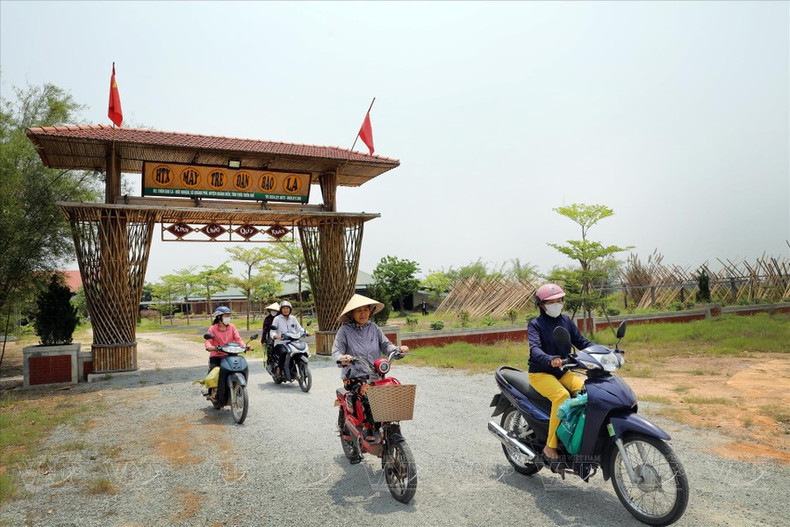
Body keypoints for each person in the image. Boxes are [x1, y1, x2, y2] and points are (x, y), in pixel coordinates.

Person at [527, 284, 592, 462]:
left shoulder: (566, 321)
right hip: (540, 373)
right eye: (551, 301)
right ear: (541, 304)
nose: (557, 304)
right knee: (561, 396)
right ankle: (550, 446)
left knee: (587, 392)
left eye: (559, 300)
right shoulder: (535, 324)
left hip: (563, 371)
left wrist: (604, 351)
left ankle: (575, 434)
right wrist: (550, 358)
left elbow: (582, 342)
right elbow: (535, 349)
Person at [332, 294, 409, 442]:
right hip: (354, 377)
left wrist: (398, 350)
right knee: (368, 394)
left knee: (393, 392)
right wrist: (343, 358)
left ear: (370, 311)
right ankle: (367, 427)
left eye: (366, 310)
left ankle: (388, 429)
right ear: (351, 314)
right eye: (358, 310)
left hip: (376, 377)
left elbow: (386, 346)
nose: (363, 314)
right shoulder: (344, 331)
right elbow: (336, 352)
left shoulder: (374, 328)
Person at [204, 306, 250, 406]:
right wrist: (209, 347)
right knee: (213, 370)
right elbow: (208, 341)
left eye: (229, 316)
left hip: (230, 354)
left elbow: (238, 339)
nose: (228, 318)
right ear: (219, 317)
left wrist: (245, 346)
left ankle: (239, 390)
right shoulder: (212, 329)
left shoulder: (232, 327)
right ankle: (212, 392)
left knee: (241, 367)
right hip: (217, 355)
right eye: (226, 316)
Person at [269, 300, 308, 381]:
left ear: (290, 309)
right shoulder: (277, 319)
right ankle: (278, 369)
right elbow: (272, 331)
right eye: (284, 308)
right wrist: (276, 335)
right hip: (281, 342)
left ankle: (297, 367)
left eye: (287, 308)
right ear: (281, 310)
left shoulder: (293, 318)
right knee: (284, 352)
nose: (285, 310)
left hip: (293, 341)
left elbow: (300, 329)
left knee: (301, 350)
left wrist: (306, 332)